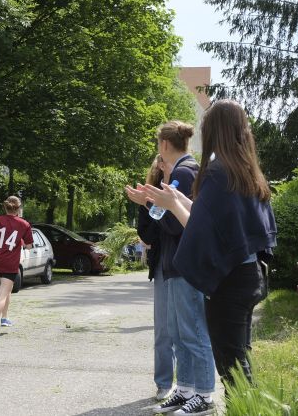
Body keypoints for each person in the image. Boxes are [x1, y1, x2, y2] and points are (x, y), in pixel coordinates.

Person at [141, 100, 276, 406]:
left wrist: (173, 205)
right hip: (250, 274)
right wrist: (176, 199)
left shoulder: (217, 172)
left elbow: (202, 231)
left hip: (230, 283)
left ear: (213, 130)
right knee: (240, 355)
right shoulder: (246, 169)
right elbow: (214, 221)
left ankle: (243, 409)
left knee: (230, 361)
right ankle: (245, 407)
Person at [127, 121, 216, 415]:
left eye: (157, 144)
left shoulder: (182, 171)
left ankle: (203, 394)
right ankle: (186, 389)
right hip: (176, 264)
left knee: (192, 332)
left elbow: (174, 224)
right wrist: (151, 202)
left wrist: (149, 201)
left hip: (184, 265)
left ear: (164, 144)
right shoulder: (188, 169)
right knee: (180, 333)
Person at [133, 155, 175, 401]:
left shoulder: (186, 187)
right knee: (163, 329)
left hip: (185, 265)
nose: (162, 167)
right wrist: (153, 205)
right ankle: (163, 383)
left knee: (185, 329)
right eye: (159, 165)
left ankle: (188, 384)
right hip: (161, 265)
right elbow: (147, 236)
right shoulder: (145, 200)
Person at [0, 196, 34, 342]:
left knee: (6, 288)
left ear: (5, 208)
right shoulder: (24, 224)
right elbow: (29, 246)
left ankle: (4, 318)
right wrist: (21, 242)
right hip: (9, 261)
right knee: (3, 293)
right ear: (18, 209)